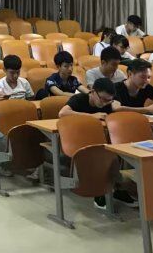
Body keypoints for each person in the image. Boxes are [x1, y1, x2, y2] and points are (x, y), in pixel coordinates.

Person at [58, 78, 136, 209]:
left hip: (102, 140)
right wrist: (91, 116)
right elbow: (62, 113)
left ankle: (116, 188)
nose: (105, 103)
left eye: (108, 100)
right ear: (93, 92)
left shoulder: (109, 102)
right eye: (102, 99)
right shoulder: (79, 99)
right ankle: (101, 192)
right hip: (78, 140)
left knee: (116, 153)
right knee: (100, 155)